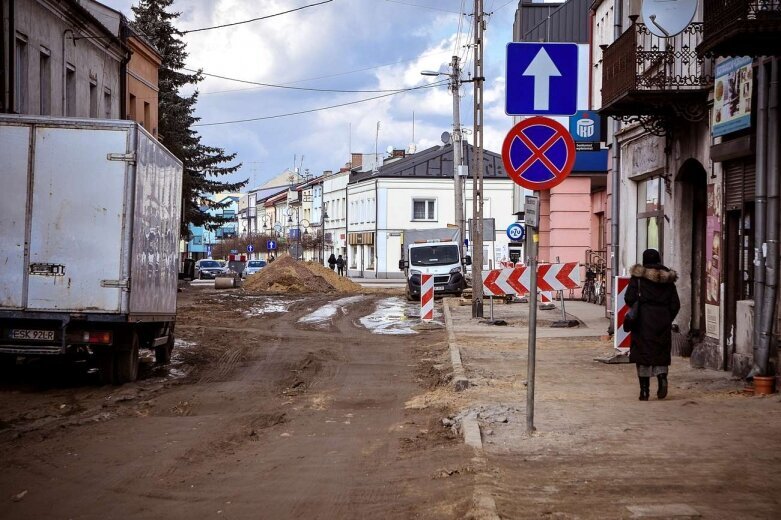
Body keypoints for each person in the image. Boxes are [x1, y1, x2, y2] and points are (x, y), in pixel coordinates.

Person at [625, 249, 681, 401]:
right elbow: (675, 304)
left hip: (643, 320)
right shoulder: (668, 279)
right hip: (662, 319)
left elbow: (629, 298)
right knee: (661, 351)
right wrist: (667, 317)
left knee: (643, 354)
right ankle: (662, 377)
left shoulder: (638, 277)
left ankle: (644, 391)